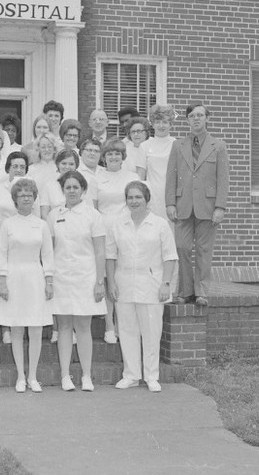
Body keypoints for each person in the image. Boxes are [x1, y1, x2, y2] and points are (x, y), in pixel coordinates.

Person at [106, 181, 178, 392]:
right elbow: (110, 256)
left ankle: (151, 376)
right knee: (127, 331)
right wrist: (111, 282)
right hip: (124, 283)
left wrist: (166, 283)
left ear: (147, 199)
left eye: (138, 197)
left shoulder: (160, 224)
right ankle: (131, 375)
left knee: (151, 332)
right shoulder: (118, 224)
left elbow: (170, 257)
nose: (134, 201)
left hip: (152, 286)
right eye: (130, 197)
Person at [47, 170, 106, 392]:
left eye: (75, 187)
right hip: (61, 277)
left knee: (83, 326)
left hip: (86, 277)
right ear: (62, 190)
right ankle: (65, 376)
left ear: (83, 189)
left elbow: (100, 251)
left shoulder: (93, 215)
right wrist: (50, 279)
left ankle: (87, 376)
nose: (71, 191)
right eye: (68, 187)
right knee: (63, 326)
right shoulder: (54, 215)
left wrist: (100, 281)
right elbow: (50, 251)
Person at [165, 103, 229, 307]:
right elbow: (171, 176)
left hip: (208, 207)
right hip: (183, 205)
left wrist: (220, 207)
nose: (196, 119)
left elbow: (223, 179)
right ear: (187, 120)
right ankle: (186, 290)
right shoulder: (178, 145)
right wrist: (170, 203)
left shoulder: (218, 145)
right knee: (182, 247)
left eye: (200, 115)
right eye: (192, 116)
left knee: (203, 249)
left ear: (207, 118)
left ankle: (201, 291)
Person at [0, 179, 54, 393]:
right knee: (17, 328)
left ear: (35, 198)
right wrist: (2, 281)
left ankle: (33, 376)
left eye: (29, 194)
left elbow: (47, 255)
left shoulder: (42, 224)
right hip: (13, 277)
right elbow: (1, 254)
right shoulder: (8, 224)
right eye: (21, 195)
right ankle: (20, 376)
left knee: (36, 329)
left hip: (35, 278)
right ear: (15, 200)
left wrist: (49, 281)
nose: (26, 198)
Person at [96, 137, 140, 344]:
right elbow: (94, 207)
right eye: (109, 153)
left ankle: (124, 324)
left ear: (123, 156)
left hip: (125, 229)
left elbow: (137, 204)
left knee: (122, 276)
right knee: (107, 277)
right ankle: (109, 326)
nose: (113, 156)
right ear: (103, 157)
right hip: (103, 229)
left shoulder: (132, 176)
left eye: (117, 153)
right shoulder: (97, 175)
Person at [136, 104, 177, 220]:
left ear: (170, 124)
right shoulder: (144, 146)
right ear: (152, 124)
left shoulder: (176, 145)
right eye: (158, 122)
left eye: (165, 122)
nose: (161, 125)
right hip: (152, 196)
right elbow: (140, 177)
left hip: (171, 197)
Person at [40, 149, 80, 219]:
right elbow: (44, 214)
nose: (67, 167)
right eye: (64, 163)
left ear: (76, 166)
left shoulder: (81, 185)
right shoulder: (49, 186)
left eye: (71, 164)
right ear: (58, 164)